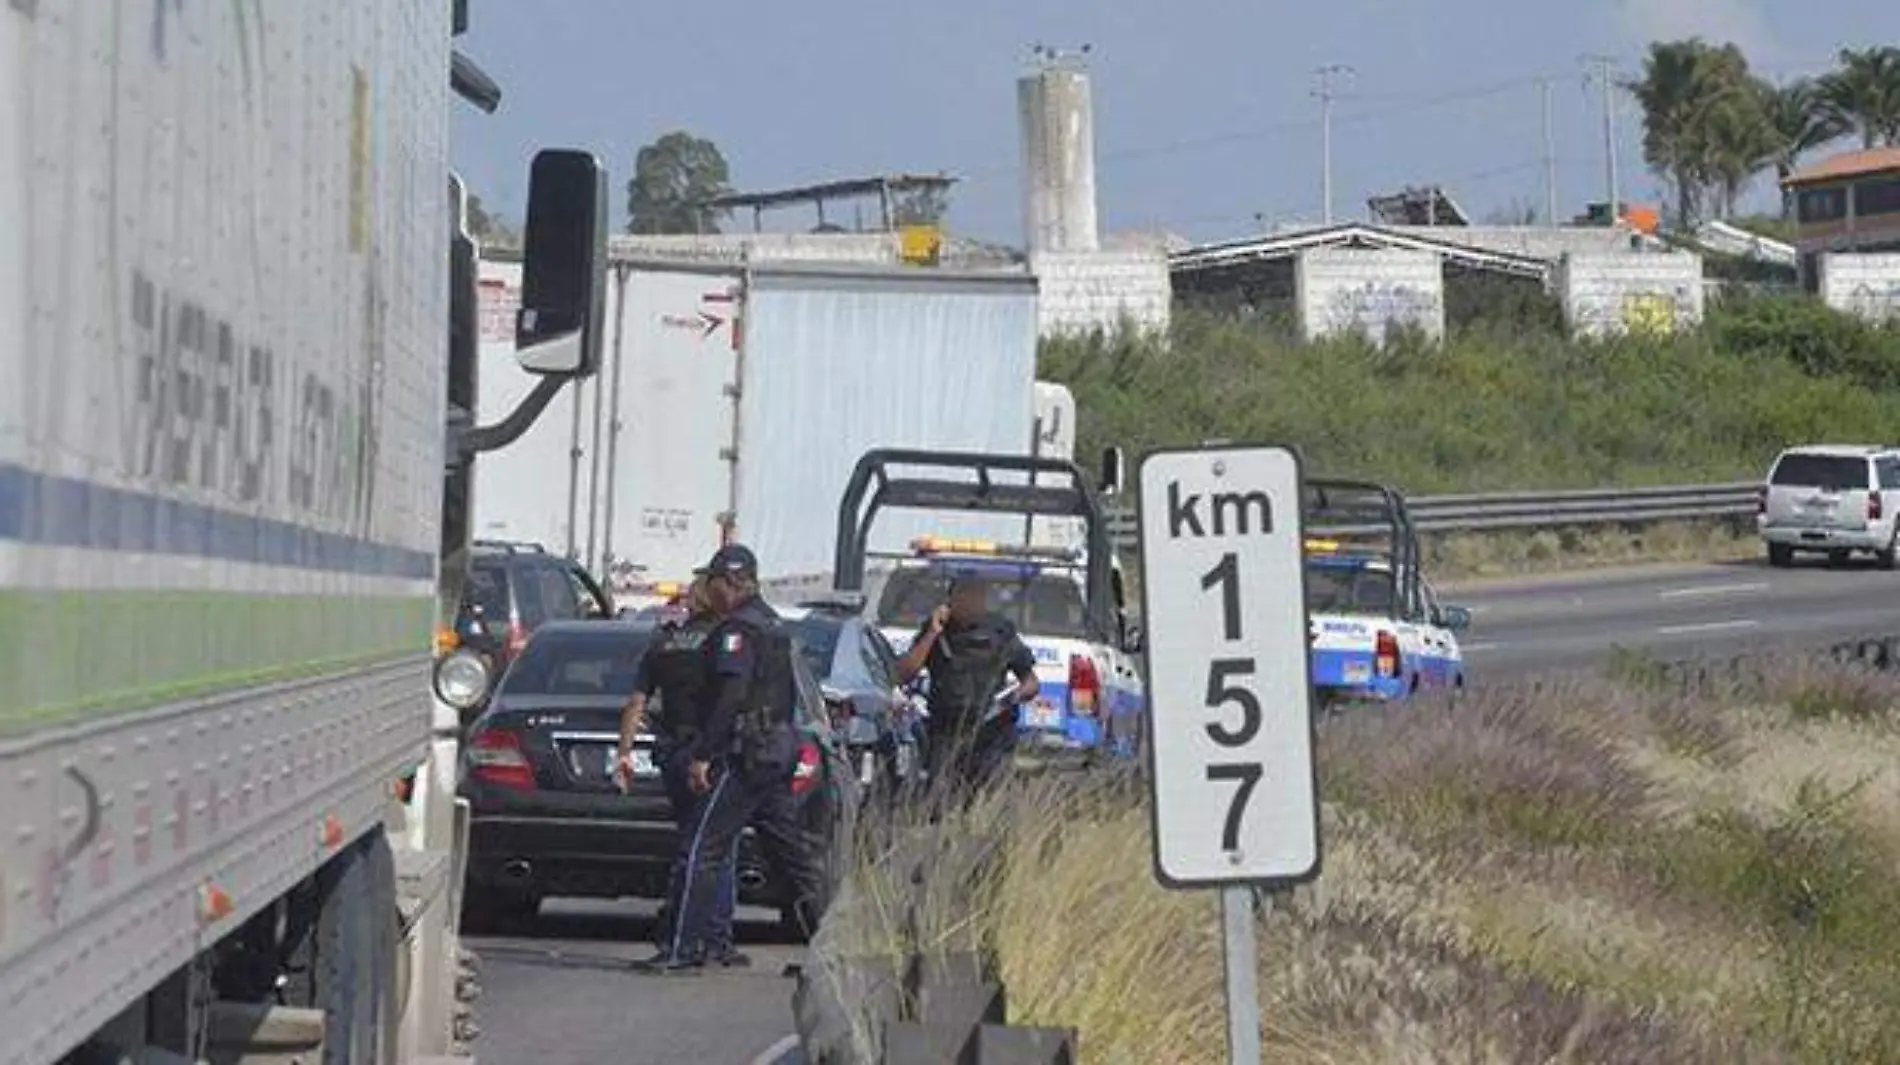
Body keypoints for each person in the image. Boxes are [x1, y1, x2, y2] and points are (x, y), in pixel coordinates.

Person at [633, 544, 832, 974]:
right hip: (778, 748)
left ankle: (682, 951)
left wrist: (705, 753)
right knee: (792, 858)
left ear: (730, 583)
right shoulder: (775, 624)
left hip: (749, 754)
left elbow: (732, 696)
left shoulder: (737, 630)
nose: (710, 590)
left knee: (702, 846)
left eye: (714, 582)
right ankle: (833, 953)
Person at [614, 579, 745, 969]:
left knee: (693, 841)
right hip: (709, 752)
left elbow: (635, 703)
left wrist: (624, 754)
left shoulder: (664, 644)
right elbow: (732, 698)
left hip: (672, 751)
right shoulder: (722, 643)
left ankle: (691, 935)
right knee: (715, 847)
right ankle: (709, 937)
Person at [893, 571, 1040, 796]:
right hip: (946, 733)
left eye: (974, 598)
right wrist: (933, 632)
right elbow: (905, 673)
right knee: (940, 800)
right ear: (950, 600)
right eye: (962, 597)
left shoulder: (999, 632)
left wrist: (1016, 696)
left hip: (990, 733)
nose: (968, 604)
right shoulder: (938, 632)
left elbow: (1030, 681)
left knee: (988, 798)